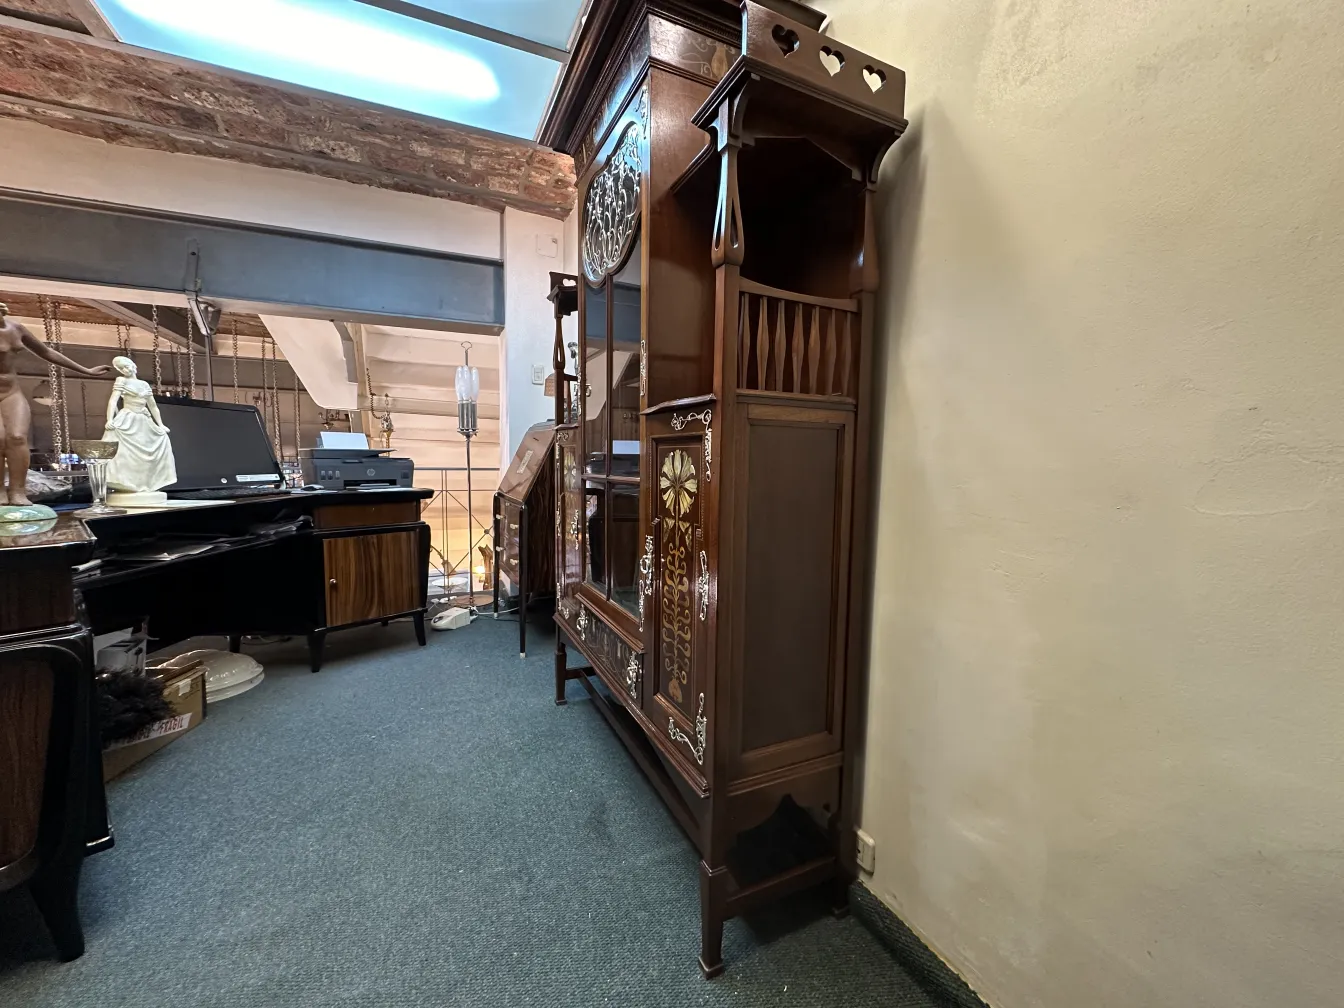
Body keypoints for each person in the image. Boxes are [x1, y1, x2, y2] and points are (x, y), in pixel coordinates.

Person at [0, 302, 112, 506]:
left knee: (17, 437)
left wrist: (86, 370)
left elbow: (46, 352)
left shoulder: (16, 329)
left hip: (11, 392)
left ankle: (18, 492)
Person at [103, 356, 176, 493]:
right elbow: (113, 401)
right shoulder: (121, 380)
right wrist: (110, 419)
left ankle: (148, 482)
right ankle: (124, 480)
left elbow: (153, 406)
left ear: (133, 365)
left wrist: (160, 424)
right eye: (121, 368)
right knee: (121, 449)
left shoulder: (144, 384)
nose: (125, 370)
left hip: (143, 419)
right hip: (127, 418)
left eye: (126, 366)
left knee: (159, 440)